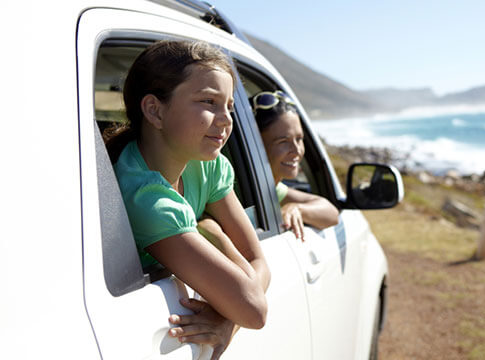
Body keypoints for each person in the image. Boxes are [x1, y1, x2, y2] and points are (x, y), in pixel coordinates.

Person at [105, 40, 270, 359]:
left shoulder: (208, 165)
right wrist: (218, 238)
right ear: (154, 110)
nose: (225, 121)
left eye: (229, 107)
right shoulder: (144, 198)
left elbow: (259, 265)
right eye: (208, 102)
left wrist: (226, 320)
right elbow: (254, 309)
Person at [251, 90, 339, 240]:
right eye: (283, 142)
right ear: (256, 144)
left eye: (299, 139)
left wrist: (297, 208)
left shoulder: (269, 187)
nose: (297, 151)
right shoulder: (241, 189)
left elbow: (331, 213)